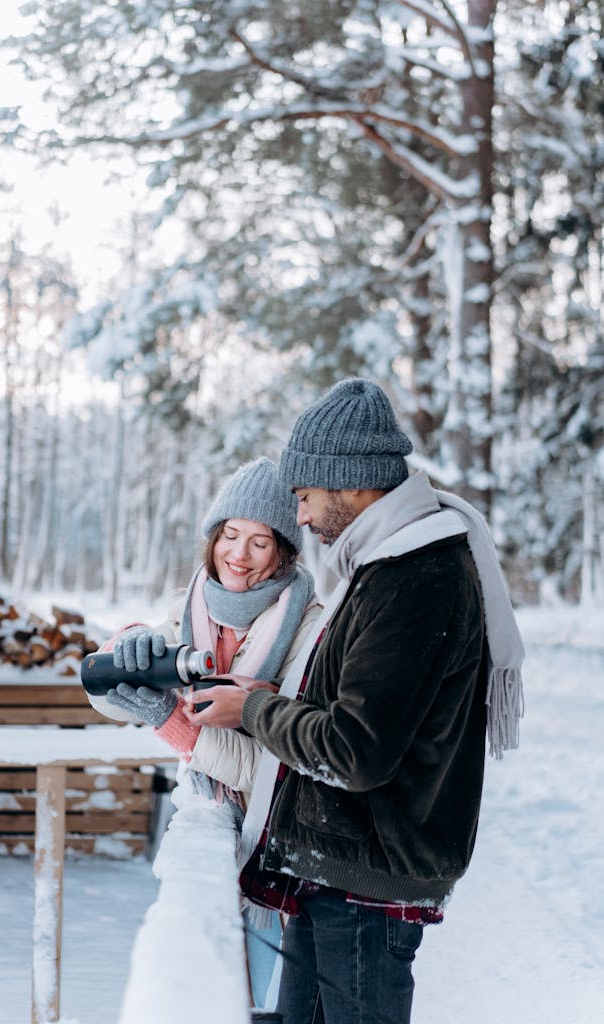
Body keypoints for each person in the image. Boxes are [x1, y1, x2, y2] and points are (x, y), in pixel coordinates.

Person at [182, 378, 525, 1024]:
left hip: (366, 883)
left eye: (306, 497)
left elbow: (355, 749)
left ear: (352, 482)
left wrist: (251, 712)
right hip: (339, 868)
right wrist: (264, 694)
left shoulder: (414, 578)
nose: (302, 517)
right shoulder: (381, 566)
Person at [85, 456, 321, 1008]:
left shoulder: (309, 628)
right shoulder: (188, 609)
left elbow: (270, 770)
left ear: (284, 552)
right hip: (210, 821)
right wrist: (127, 644)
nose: (238, 555)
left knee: (262, 1000)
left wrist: (173, 725)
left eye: (260, 542)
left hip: (278, 845)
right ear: (212, 537)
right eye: (230, 535)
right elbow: (111, 703)